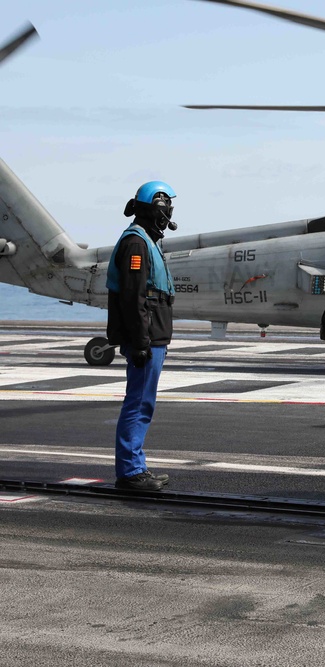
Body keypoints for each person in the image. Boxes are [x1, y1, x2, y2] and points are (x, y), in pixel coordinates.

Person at [105, 181, 178, 491]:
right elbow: (134, 296)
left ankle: (135, 467)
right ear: (157, 209)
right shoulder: (137, 244)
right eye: (166, 207)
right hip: (146, 339)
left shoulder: (146, 240)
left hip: (152, 336)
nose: (170, 213)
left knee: (142, 402)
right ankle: (131, 471)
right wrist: (141, 343)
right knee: (138, 404)